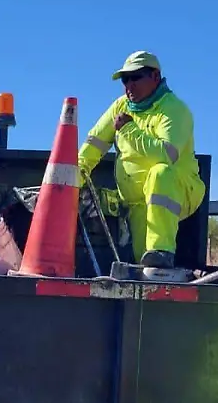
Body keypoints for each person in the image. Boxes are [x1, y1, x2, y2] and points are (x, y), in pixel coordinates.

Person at [76, 51, 204, 269]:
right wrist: (71, 179)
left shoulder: (174, 110)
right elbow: (94, 145)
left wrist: (128, 129)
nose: (129, 85)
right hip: (137, 202)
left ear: (155, 76)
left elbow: (166, 155)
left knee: (160, 172)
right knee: (144, 266)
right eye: (125, 79)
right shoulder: (120, 106)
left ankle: (163, 252)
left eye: (136, 77)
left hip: (179, 189)